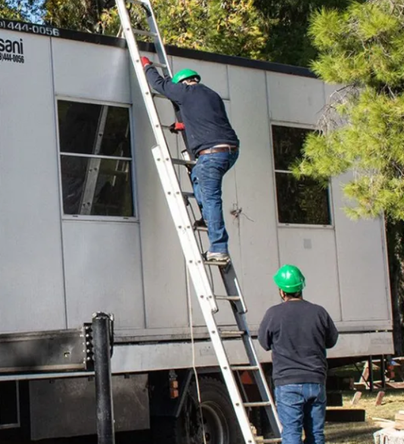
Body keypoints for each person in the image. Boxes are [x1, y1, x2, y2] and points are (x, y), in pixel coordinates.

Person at [141, 57, 239, 264]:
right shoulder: (212, 95)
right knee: (196, 175)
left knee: (211, 198)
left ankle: (219, 248)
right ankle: (207, 218)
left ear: (183, 82)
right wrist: (183, 126)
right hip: (229, 151)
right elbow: (206, 119)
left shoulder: (185, 91)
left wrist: (147, 66)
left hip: (211, 153)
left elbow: (159, 84)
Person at [258, 264, 339, 444]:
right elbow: (331, 341)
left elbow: (264, 343)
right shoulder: (319, 312)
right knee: (316, 434)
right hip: (316, 381)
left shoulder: (273, 314)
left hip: (287, 383)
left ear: (281, 291)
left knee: (291, 433)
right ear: (301, 287)